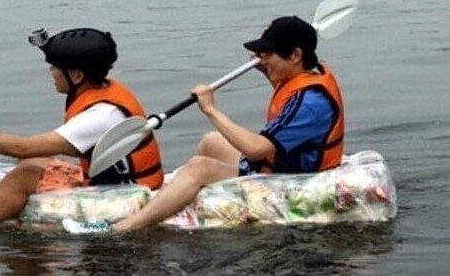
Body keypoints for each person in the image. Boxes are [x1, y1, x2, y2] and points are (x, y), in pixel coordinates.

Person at [63, 15, 345, 233]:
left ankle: (123, 228)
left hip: (297, 178)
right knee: (211, 141)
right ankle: (172, 197)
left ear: (295, 56)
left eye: (268, 54)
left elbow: (257, 149)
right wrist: (267, 68)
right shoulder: (304, 76)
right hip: (285, 163)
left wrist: (210, 109)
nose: (261, 60)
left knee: (199, 167)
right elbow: (281, 112)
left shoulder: (310, 102)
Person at [0, 27, 164, 225]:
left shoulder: (101, 115)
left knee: (25, 173)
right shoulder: (105, 90)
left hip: (128, 192)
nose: (51, 72)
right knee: (31, 161)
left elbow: (22, 147)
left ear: (77, 76)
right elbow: (28, 152)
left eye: (56, 67)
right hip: (119, 181)